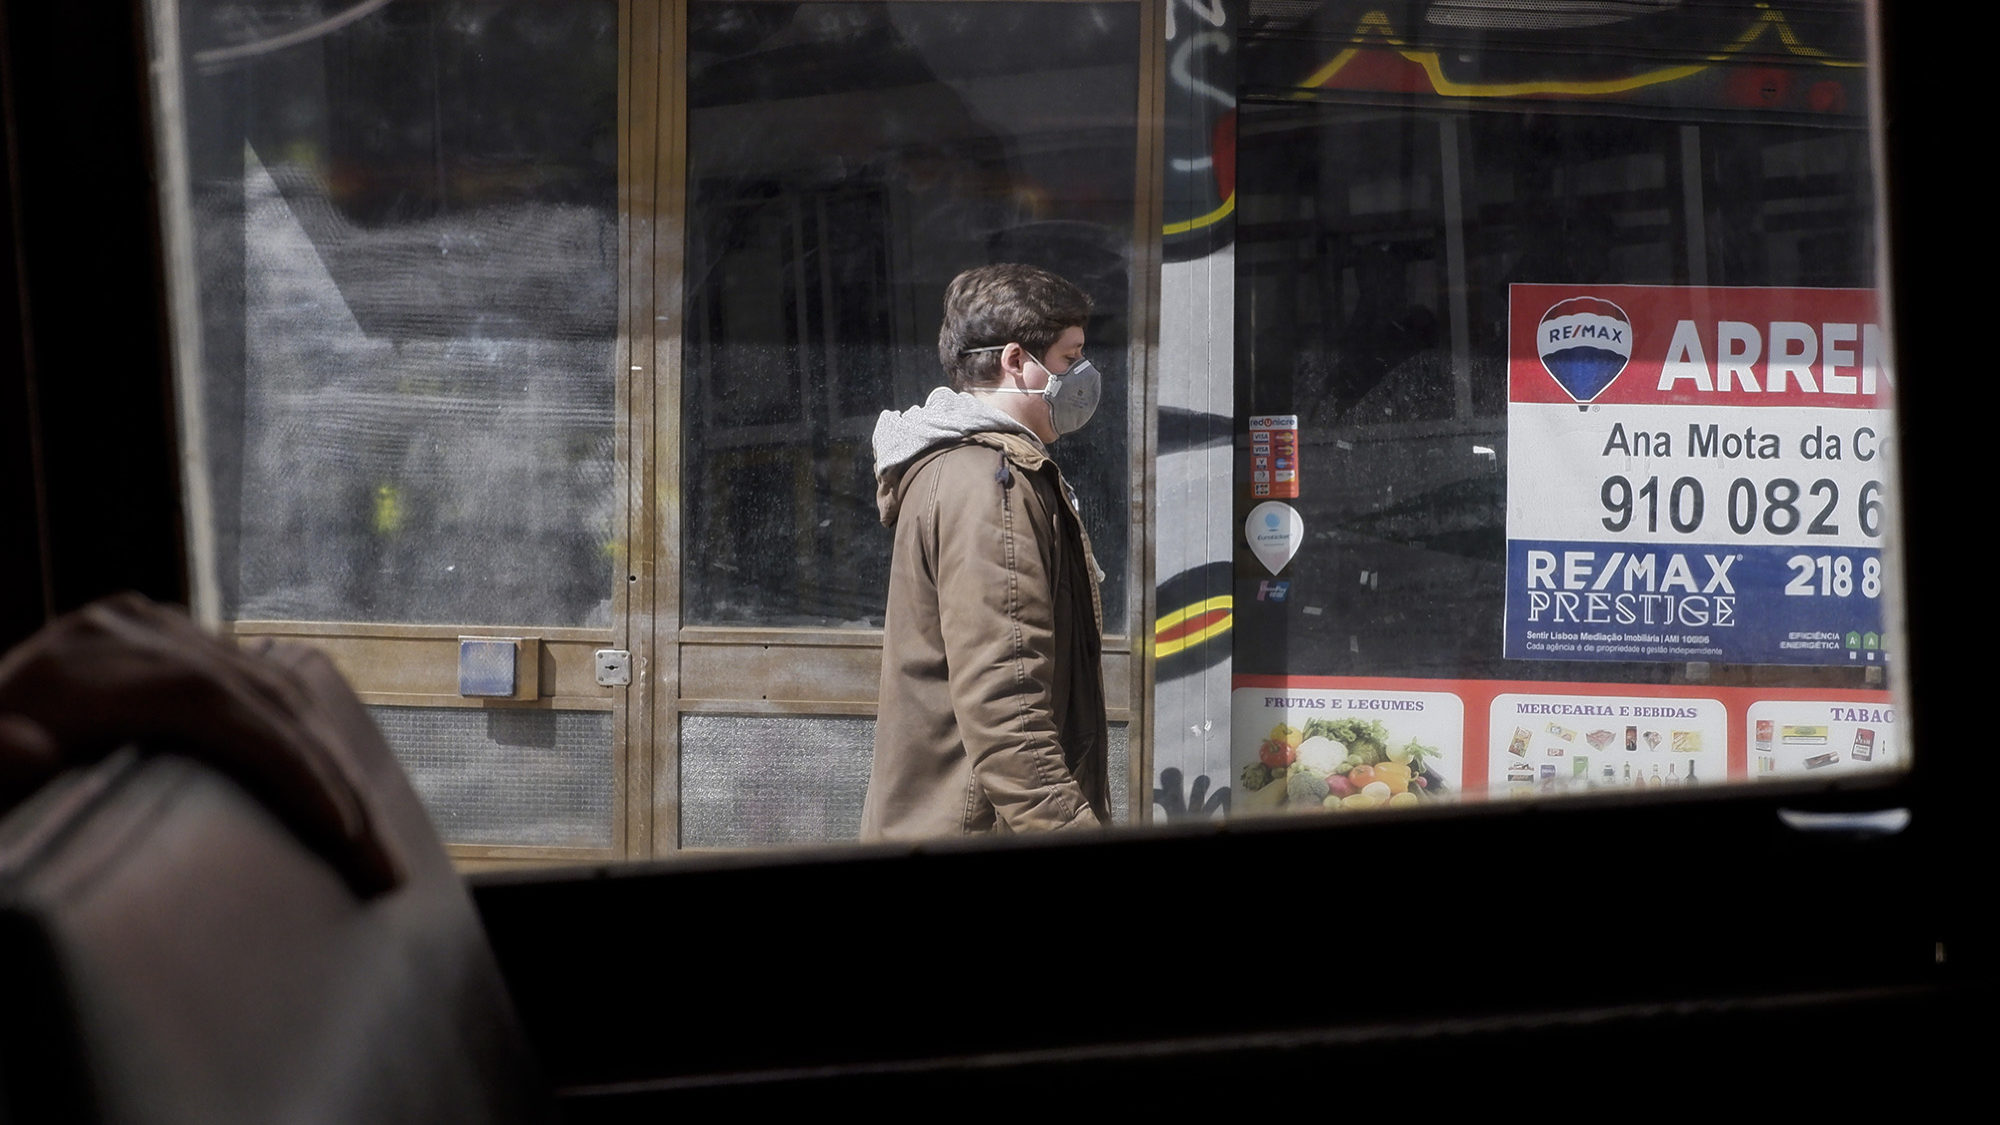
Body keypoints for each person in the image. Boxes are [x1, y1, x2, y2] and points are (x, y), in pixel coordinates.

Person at [860, 263, 1110, 840]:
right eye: (1070, 359)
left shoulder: (974, 467)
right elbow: (1005, 703)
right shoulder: (988, 484)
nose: (1082, 377)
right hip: (974, 826)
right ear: (1017, 361)